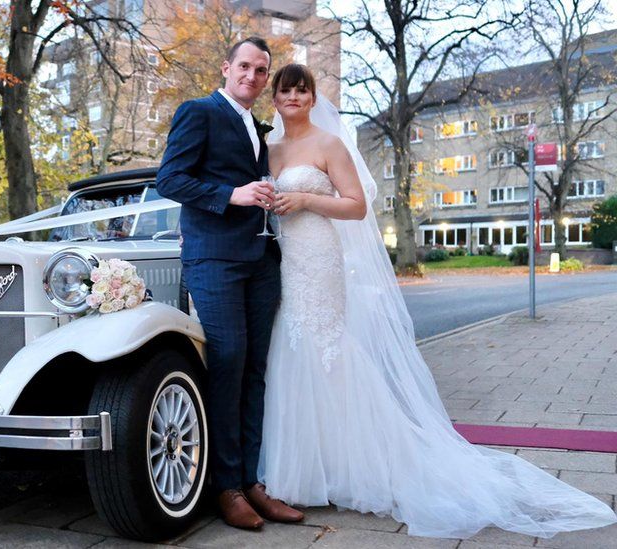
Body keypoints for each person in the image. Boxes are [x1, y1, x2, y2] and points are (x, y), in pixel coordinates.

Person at [258, 62, 617, 539]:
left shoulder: (329, 144)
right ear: (276, 98)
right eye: (285, 91)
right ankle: (301, 467)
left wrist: (305, 201)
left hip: (321, 260)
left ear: (312, 97)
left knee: (326, 351)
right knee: (291, 351)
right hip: (286, 261)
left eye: (302, 90)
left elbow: (356, 206)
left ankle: (353, 463)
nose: (293, 98)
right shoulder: (268, 147)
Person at [155, 37, 303, 530]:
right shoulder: (199, 112)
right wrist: (232, 193)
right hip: (214, 259)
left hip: (261, 258)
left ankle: (253, 483)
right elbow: (170, 179)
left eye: (261, 71)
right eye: (245, 66)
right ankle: (226, 488)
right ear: (227, 67)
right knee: (227, 364)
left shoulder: (257, 128)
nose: (253, 77)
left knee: (256, 370)